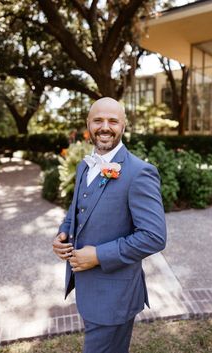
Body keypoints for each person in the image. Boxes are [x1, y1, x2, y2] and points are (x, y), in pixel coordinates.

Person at [53, 97, 167, 353]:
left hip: (116, 294)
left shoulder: (140, 172)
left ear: (124, 126)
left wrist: (97, 255)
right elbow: (75, 212)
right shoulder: (84, 166)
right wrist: (62, 233)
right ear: (88, 125)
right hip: (87, 287)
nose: (105, 126)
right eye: (98, 120)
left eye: (113, 121)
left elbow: (154, 236)